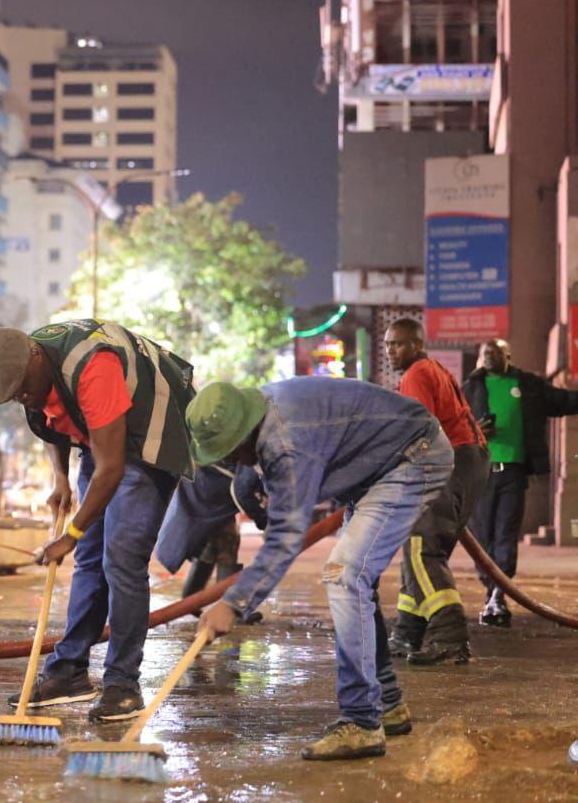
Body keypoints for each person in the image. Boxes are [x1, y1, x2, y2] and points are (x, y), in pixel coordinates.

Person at [188, 378, 453, 760]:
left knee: (344, 574)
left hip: (412, 458)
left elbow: (285, 537)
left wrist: (233, 603)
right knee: (350, 576)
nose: (231, 462)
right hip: (378, 466)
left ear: (244, 433)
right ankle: (387, 703)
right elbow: (258, 474)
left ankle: (362, 722)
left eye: (231, 453)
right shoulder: (259, 412)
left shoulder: (287, 442)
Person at [0, 320, 195, 723]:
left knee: (122, 559)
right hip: (102, 436)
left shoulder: (93, 367)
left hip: (147, 436)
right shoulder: (32, 373)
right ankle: (70, 671)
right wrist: (61, 479)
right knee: (90, 561)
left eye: (25, 387)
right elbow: (51, 425)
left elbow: (111, 468)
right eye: (17, 396)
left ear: (36, 357)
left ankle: (122, 683)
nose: (26, 397)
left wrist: (71, 533)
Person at [382, 318, 488, 665]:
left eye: (397, 344)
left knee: (421, 550)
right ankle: (408, 633)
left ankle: (449, 638)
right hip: (469, 460)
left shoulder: (416, 375)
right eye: (387, 345)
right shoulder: (433, 368)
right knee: (419, 551)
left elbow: (419, 431)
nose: (390, 351)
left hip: (448, 462)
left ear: (416, 344)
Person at [464, 338, 578, 627]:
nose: (488, 357)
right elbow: (453, 425)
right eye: (484, 353)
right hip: (481, 473)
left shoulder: (529, 386)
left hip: (513, 473)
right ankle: (491, 590)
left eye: (495, 352)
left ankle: (498, 595)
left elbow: (563, 400)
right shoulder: (470, 389)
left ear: (508, 356)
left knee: (505, 534)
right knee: (482, 538)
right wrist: (475, 430)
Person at [155, 463, 267, 620]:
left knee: (213, 542)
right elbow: (242, 493)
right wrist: (264, 520)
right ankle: (230, 608)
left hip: (206, 486)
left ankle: (190, 600)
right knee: (226, 543)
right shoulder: (261, 455)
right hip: (209, 490)